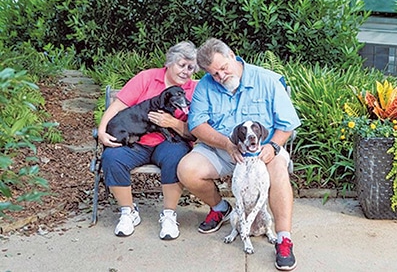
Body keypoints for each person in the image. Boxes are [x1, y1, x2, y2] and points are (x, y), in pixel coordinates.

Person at [177, 38, 301, 271]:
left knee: (279, 172)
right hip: (224, 149)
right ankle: (220, 208)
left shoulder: (267, 80)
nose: (221, 76)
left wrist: (273, 147)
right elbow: (197, 125)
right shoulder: (205, 86)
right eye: (214, 74)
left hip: (264, 151)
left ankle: (284, 238)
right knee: (187, 169)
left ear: (233, 55)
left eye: (223, 68)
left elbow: (288, 124)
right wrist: (226, 144)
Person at [98, 41, 198, 240]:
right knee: (112, 157)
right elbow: (119, 106)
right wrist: (101, 130)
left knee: (176, 158)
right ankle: (128, 212)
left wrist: (173, 123)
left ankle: (169, 215)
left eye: (190, 67)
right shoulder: (147, 78)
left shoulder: (195, 89)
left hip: (169, 142)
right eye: (181, 65)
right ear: (169, 62)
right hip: (136, 141)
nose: (185, 71)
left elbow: (196, 131)